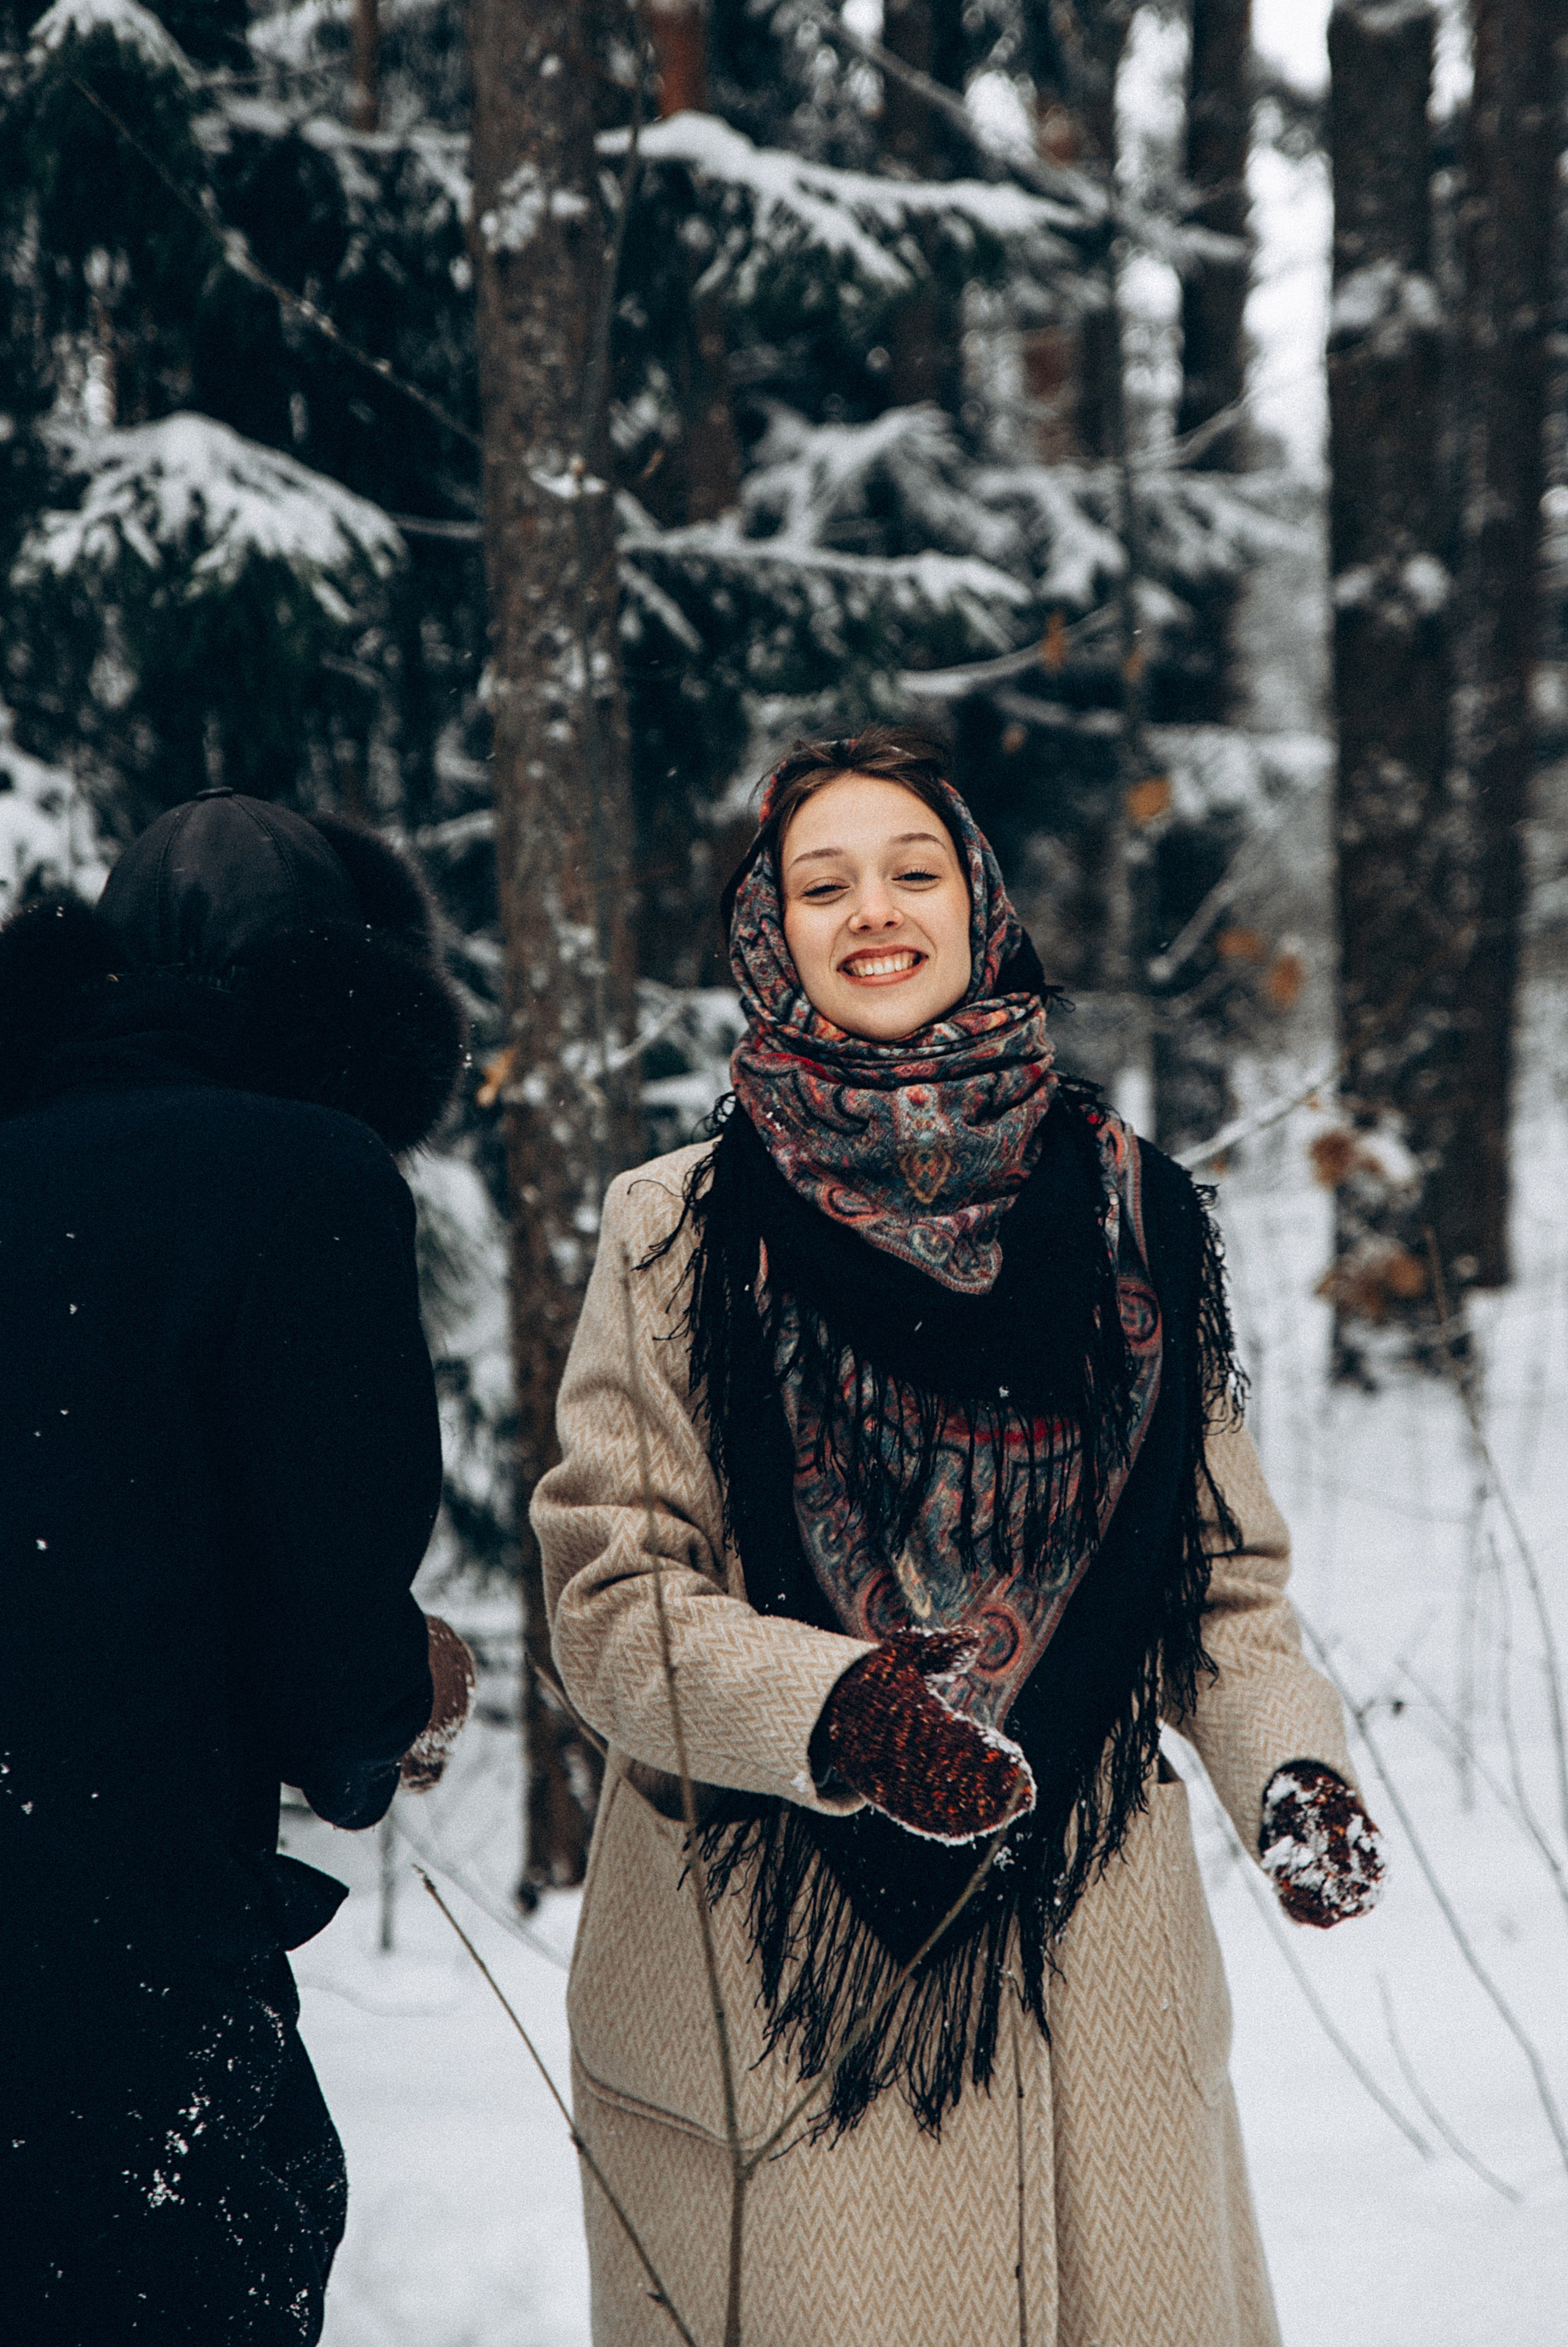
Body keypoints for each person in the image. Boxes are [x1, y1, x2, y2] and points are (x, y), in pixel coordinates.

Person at [533, 728, 1386, 2347]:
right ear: (766, 933)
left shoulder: (1133, 1211)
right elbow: (612, 1596)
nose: (874, 909)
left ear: (980, 902)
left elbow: (1220, 1582)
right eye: (822, 881)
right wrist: (838, 1714)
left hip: (1091, 1963)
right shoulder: (679, 1232)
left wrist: (1295, 1767)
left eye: (913, 870)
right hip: (786, 1980)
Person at [0, 788, 476, 2344]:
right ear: (346, 990)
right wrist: (402, 1692)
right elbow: (332, 1661)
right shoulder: (304, 1181)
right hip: (121, 1968)